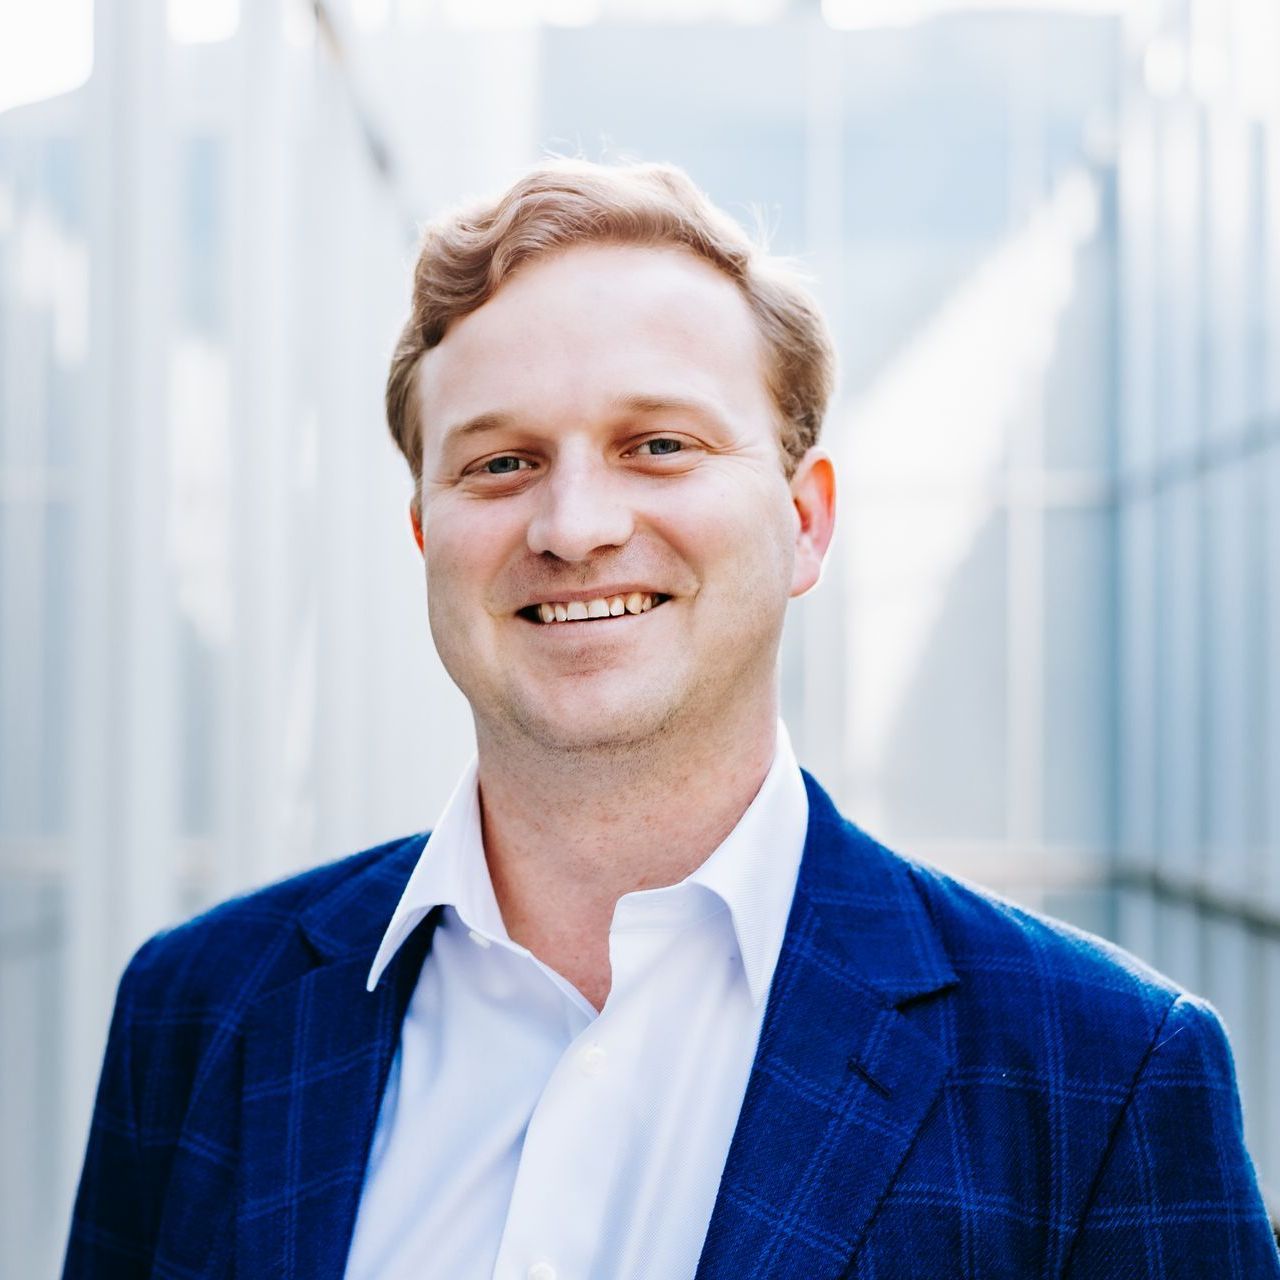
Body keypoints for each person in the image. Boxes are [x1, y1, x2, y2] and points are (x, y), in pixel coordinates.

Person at [64, 160, 1278, 1280]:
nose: (573, 523)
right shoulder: (198, 1009)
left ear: (804, 520)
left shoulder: (1097, 1076)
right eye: (499, 462)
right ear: (427, 532)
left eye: (657, 444)